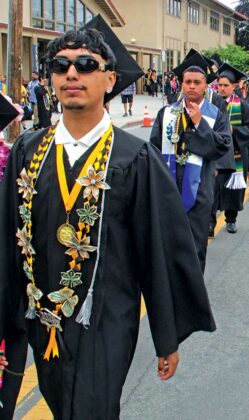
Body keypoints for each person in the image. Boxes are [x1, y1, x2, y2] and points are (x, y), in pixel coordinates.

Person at [0, 22, 215, 419]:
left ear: (110, 77)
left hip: (105, 322)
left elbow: (160, 248)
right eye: (60, 65)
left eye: (85, 64)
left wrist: (166, 336)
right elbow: (6, 242)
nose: (72, 74)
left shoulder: (134, 159)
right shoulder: (28, 152)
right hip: (43, 322)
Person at [150, 50, 231, 272]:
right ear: (181, 85)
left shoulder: (215, 114)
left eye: (197, 82)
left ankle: (193, 296)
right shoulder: (166, 113)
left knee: (195, 246)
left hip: (200, 189)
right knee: (168, 245)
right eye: (188, 82)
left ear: (206, 86)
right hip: (169, 187)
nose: (192, 86)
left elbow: (222, 147)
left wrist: (199, 122)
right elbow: (153, 149)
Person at [210, 63, 249, 234]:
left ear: (234, 86)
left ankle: (231, 219)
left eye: (225, 85)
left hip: (236, 153)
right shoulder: (211, 103)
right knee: (213, 188)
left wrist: (234, 130)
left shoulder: (243, 105)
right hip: (215, 154)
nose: (221, 89)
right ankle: (210, 223)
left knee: (233, 188)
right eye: (219, 85)